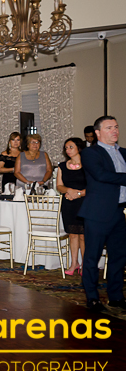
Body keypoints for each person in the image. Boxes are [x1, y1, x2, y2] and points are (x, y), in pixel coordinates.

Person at [79, 116, 126, 312]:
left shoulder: (123, 152)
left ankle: (116, 297)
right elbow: (101, 175)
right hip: (97, 213)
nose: (114, 131)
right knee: (92, 256)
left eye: (116, 127)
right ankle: (92, 298)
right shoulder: (90, 153)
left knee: (119, 257)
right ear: (97, 133)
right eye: (109, 128)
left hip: (119, 211)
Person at [57, 137, 87, 276]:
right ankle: (74, 263)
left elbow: (93, 185)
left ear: (79, 148)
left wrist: (79, 194)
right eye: (66, 148)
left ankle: (85, 264)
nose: (68, 150)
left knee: (83, 236)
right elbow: (59, 186)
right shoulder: (62, 166)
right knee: (73, 235)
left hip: (85, 202)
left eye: (71, 147)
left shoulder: (87, 165)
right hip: (69, 202)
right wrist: (69, 191)